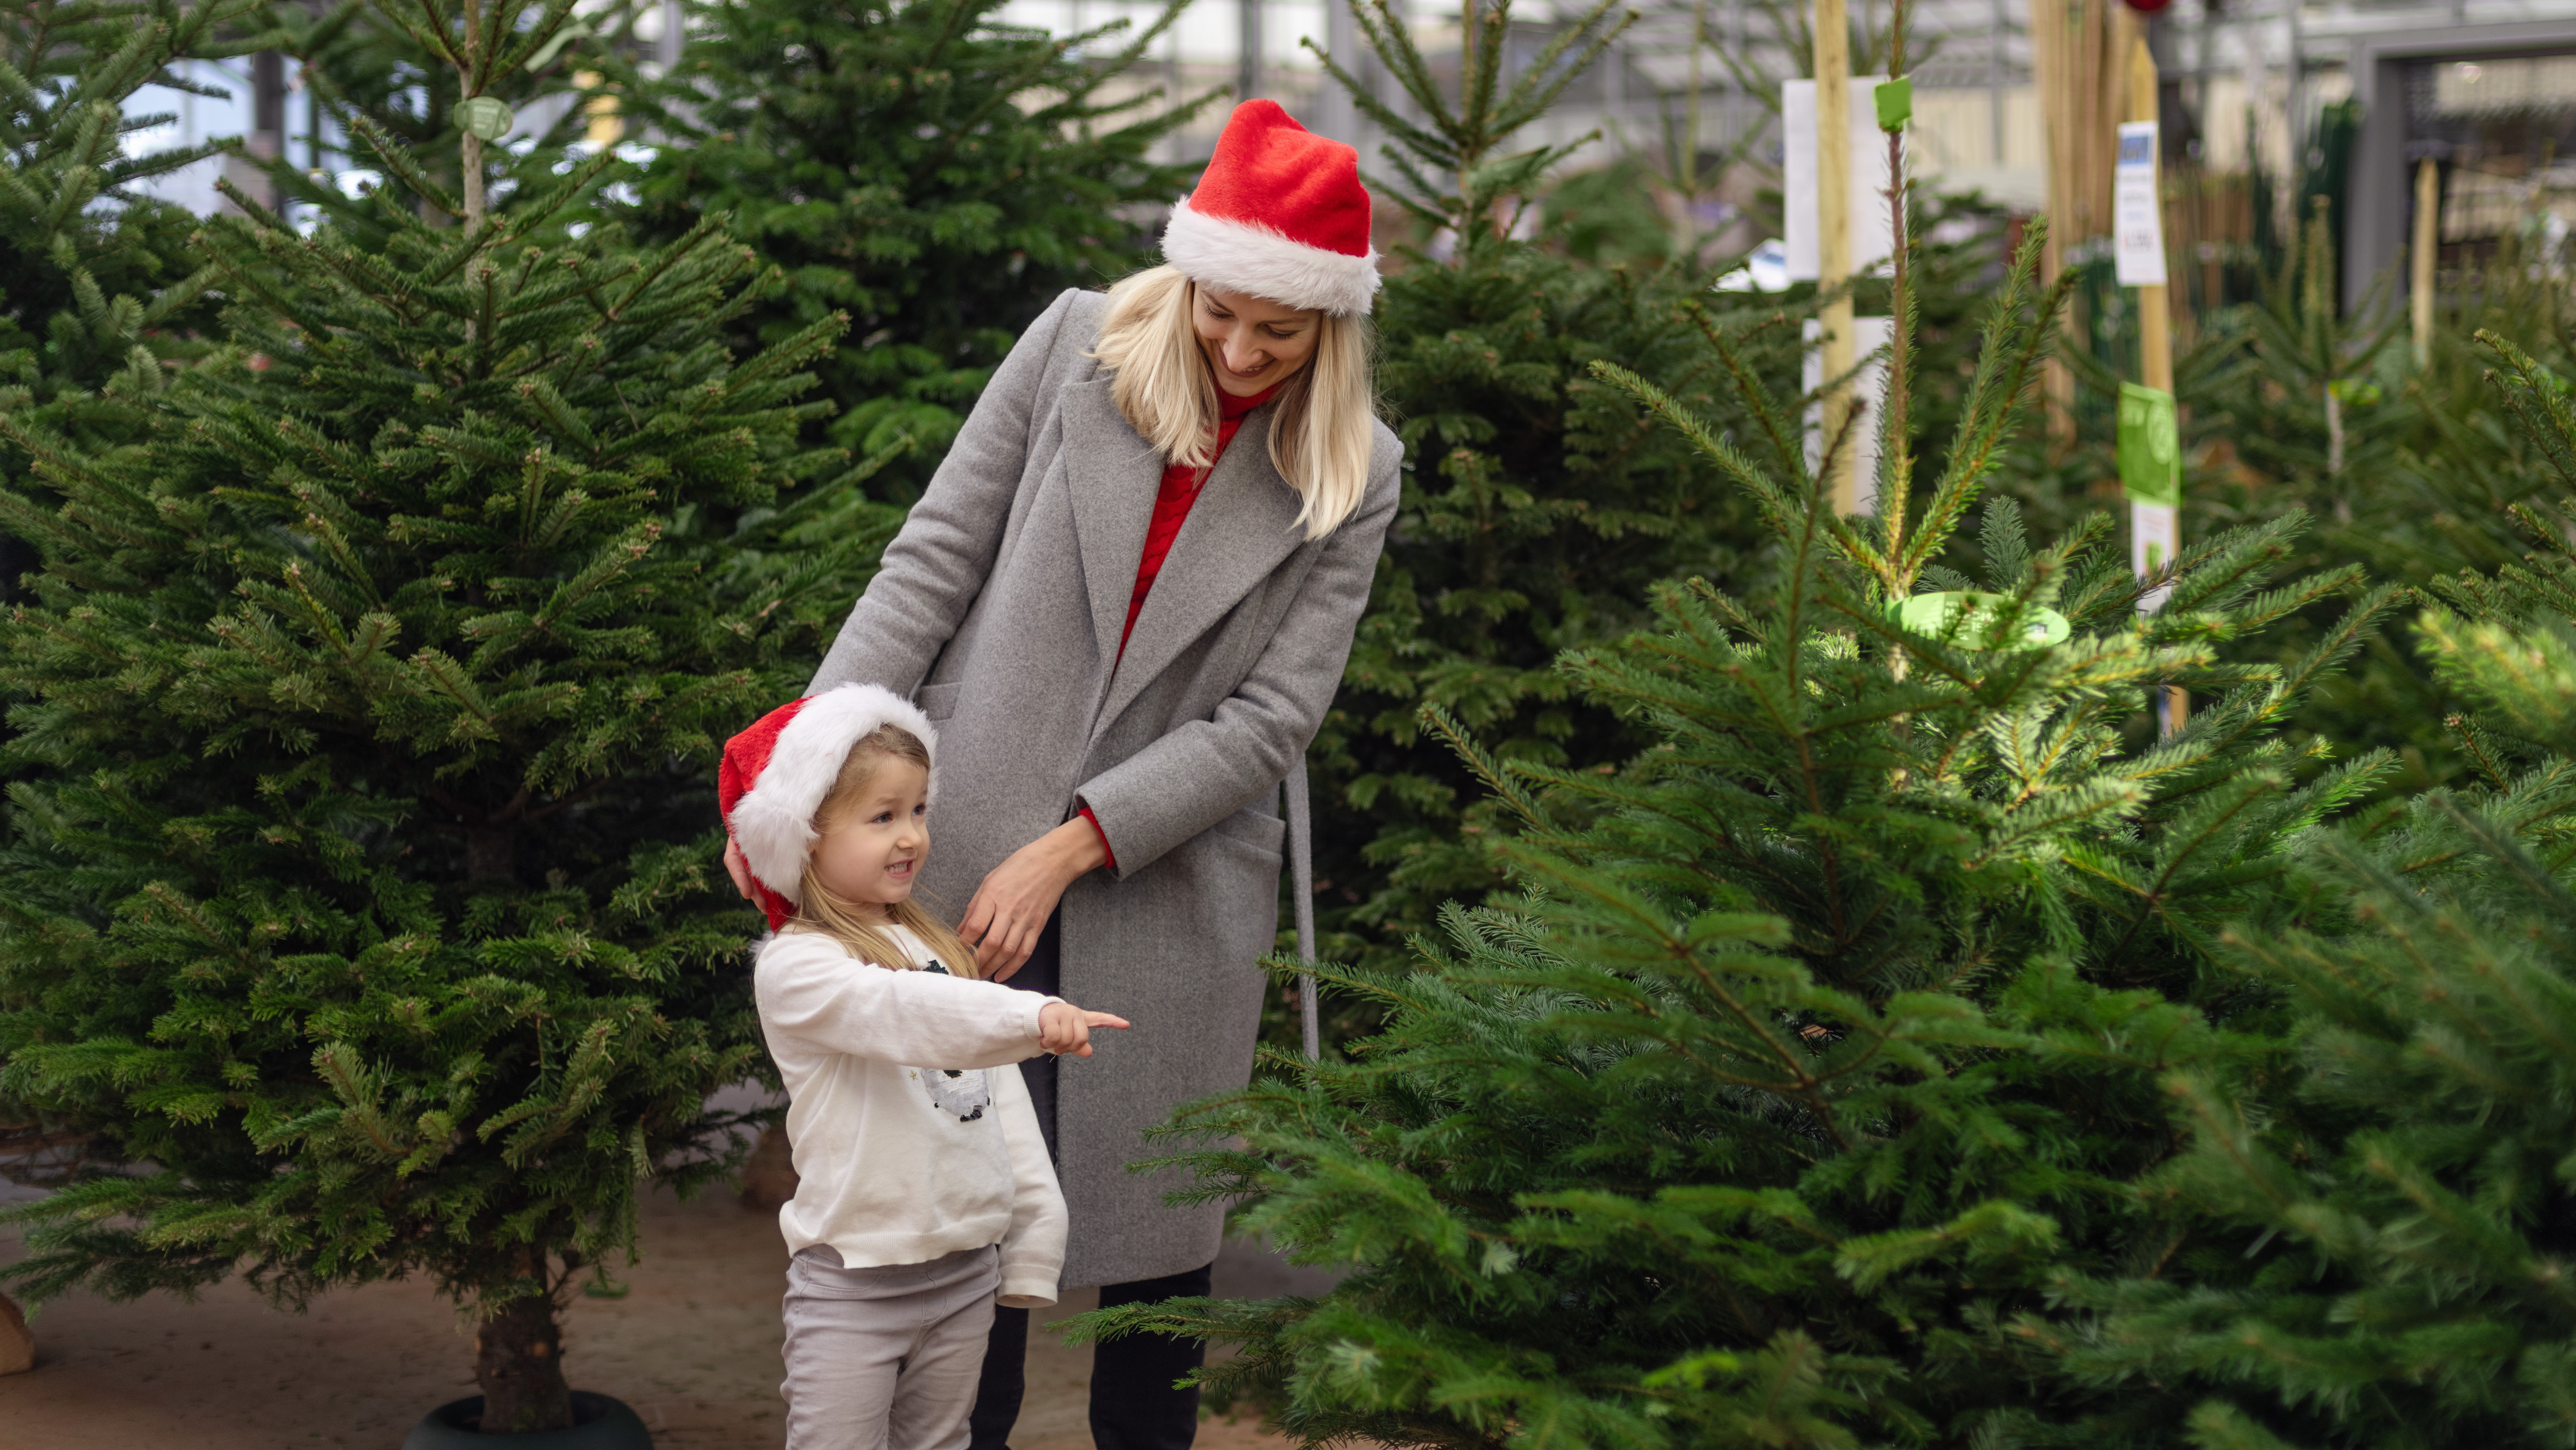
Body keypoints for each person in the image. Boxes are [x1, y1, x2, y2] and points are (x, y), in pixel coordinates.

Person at [724, 99, 1400, 1449]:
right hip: (958, 837)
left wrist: (1079, 837)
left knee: (1158, 1270)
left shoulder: (1353, 471)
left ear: (1334, 326)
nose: (1244, 350)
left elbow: (1274, 718)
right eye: (1225, 313)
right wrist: (812, 772)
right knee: (962, 1220)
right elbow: (932, 561)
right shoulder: (1074, 345)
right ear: (1191, 271)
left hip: (1170, 880)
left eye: (1284, 330)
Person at [721, 683, 1132, 1450]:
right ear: (804, 838)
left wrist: (1035, 1237)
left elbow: (999, 1103)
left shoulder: (939, 951)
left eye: (917, 811)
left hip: (963, 1277)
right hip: (853, 1285)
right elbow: (908, 1013)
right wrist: (1030, 1015)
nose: (911, 835)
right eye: (882, 817)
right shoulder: (798, 968)